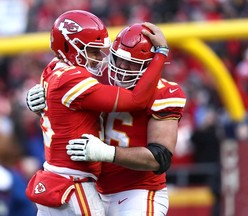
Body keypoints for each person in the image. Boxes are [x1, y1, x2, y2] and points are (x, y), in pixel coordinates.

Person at [27, 23, 186, 216]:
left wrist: (108, 153)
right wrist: (46, 98)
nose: (122, 68)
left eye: (132, 63)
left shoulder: (165, 93)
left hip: (139, 193)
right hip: (93, 190)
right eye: (118, 59)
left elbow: (159, 158)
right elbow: (63, 77)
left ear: (151, 65)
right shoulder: (95, 78)